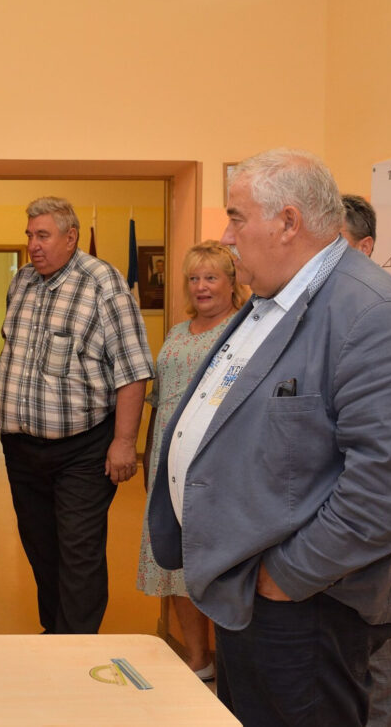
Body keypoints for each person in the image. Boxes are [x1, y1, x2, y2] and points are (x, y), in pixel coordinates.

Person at [148, 148, 391, 726]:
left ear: (288, 222)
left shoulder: (374, 313)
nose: (226, 236)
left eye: (236, 218)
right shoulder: (272, 299)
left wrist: (284, 579)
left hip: (306, 605)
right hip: (247, 591)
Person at [0, 196, 154, 634]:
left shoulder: (104, 283)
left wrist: (125, 442)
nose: (33, 245)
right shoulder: (22, 282)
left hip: (82, 451)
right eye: (30, 235)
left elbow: (133, 369)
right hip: (21, 449)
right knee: (41, 549)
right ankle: (56, 635)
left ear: (71, 237)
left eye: (43, 235)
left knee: (78, 552)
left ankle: (77, 645)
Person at [136, 240, 246, 681]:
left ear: (231, 282)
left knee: (217, 562)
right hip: (168, 460)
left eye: (211, 277)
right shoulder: (178, 333)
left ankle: (235, 668)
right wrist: (150, 457)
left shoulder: (244, 330)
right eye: (194, 278)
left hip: (215, 462)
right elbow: (159, 399)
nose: (201, 287)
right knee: (175, 560)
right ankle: (198, 659)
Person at [340, 193, 391, 727]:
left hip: (365, 522)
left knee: (372, 640)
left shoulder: (385, 317)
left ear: (364, 248)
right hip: (321, 526)